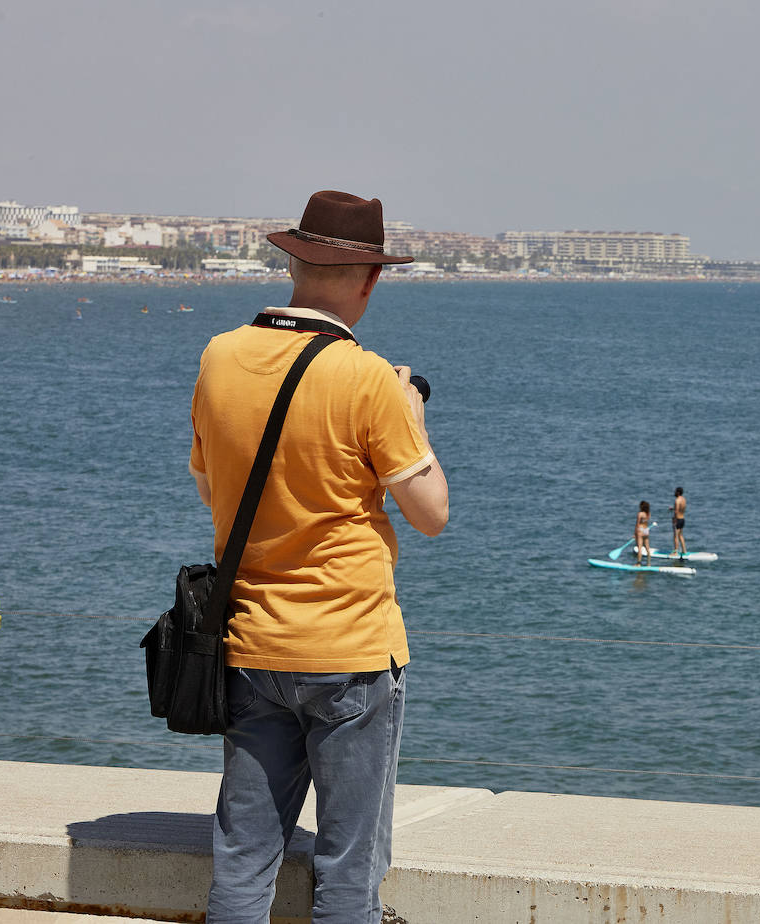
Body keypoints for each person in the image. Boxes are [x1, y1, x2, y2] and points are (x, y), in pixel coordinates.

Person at [190, 190, 449, 923]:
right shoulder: (368, 379)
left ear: (297, 261)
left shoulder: (220, 357)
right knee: (347, 872)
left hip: (250, 646)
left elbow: (212, 486)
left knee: (241, 865)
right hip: (349, 655)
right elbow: (432, 516)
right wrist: (414, 419)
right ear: (370, 280)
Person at [671, 487, 687, 557]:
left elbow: (676, 511)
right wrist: (673, 508)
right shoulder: (683, 499)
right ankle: (684, 550)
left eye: (675, 491)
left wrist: (674, 520)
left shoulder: (677, 500)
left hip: (677, 519)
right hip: (682, 518)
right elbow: (681, 508)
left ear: (678, 492)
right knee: (680, 535)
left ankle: (675, 552)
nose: (674, 493)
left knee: (675, 536)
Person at [634, 500, 652, 564]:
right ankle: (649, 563)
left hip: (640, 530)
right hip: (646, 530)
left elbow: (637, 524)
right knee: (647, 547)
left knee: (640, 547)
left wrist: (635, 533)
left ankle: (638, 563)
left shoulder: (640, 514)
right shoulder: (648, 514)